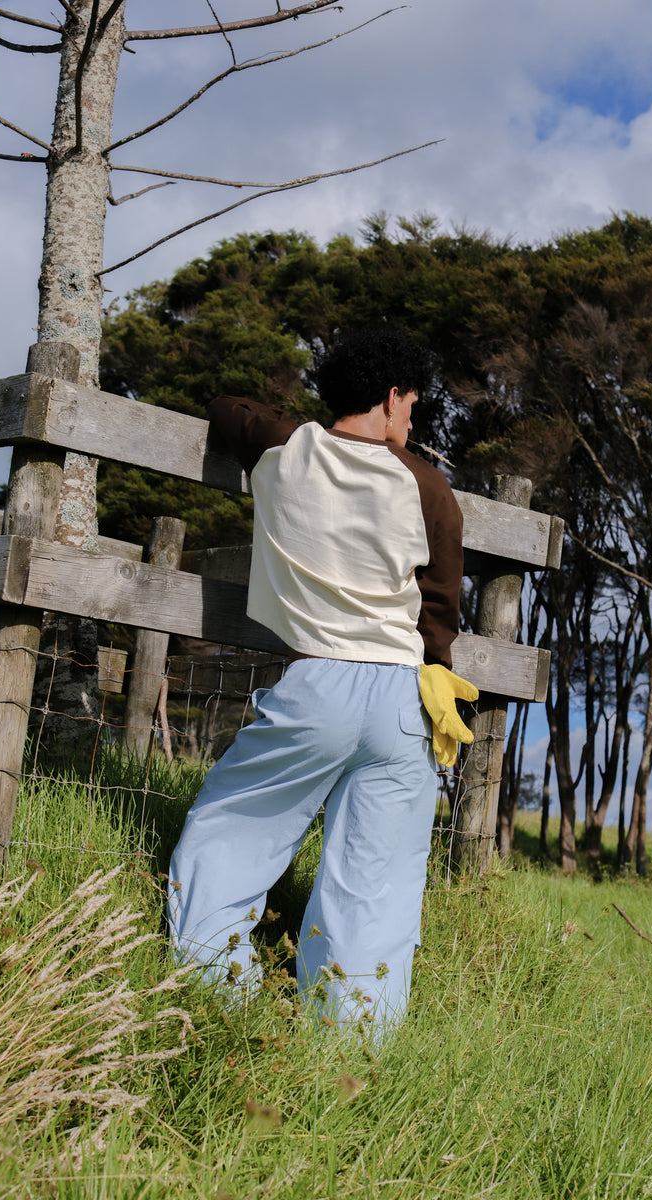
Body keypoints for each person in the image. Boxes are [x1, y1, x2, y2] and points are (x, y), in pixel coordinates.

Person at [167, 326, 477, 1035]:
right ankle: (350, 1050)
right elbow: (441, 609)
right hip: (405, 699)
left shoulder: (287, 449)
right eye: (410, 407)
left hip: (319, 685)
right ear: (392, 396)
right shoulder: (428, 487)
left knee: (224, 840)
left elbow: (225, 407)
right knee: (377, 891)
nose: (411, 423)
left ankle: (221, 1005)